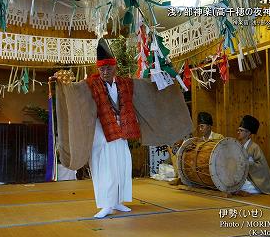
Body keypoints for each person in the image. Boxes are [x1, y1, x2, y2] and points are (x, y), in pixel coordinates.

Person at [54, 38, 193, 218]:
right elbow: (74, 90)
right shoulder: (91, 84)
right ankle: (105, 204)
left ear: (115, 67)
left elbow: (148, 88)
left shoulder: (125, 83)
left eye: (108, 68)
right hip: (101, 133)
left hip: (121, 132)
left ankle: (118, 201)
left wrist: (165, 79)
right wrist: (60, 83)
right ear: (98, 69)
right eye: (102, 68)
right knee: (104, 168)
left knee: (122, 164)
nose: (105, 72)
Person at [237, 115, 270, 195]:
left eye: (241, 130)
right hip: (243, 178)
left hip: (254, 180)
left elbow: (262, 166)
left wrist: (247, 163)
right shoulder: (238, 146)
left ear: (248, 133)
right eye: (238, 130)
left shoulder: (254, 147)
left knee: (245, 187)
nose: (238, 132)